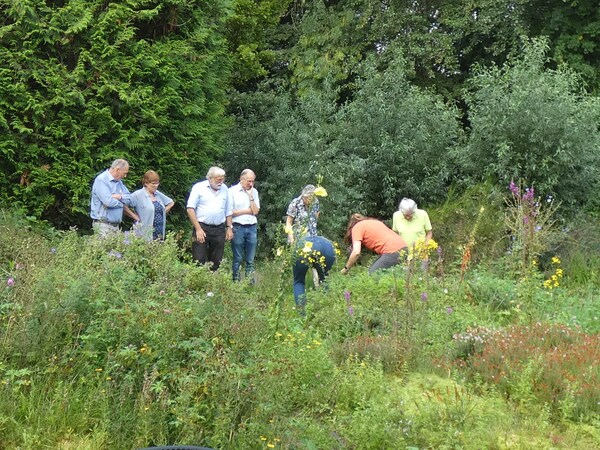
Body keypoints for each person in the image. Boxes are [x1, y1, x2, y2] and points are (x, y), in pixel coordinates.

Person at [186, 166, 233, 271]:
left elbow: (228, 210)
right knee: (199, 260)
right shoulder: (198, 187)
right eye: (218, 179)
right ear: (210, 178)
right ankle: (198, 285)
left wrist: (229, 227)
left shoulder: (225, 189)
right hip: (202, 227)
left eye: (223, 179)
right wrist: (198, 229)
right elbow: (190, 209)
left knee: (217, 261)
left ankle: (213, 285)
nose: (221, 182)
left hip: (219, 229)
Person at [341, 214, 408, 275]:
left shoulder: (357, 227)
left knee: (372, 275)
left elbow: (356, 252)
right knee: (391, 273)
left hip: (392, 251)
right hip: (404, 248)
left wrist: (346, 268)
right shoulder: (375, 222)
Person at [90, 159, 139, 237]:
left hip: (116, 227)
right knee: (105, 249)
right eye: (124, 173)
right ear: (118, 170)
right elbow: (108, 202)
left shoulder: (119, 182)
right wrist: (121, 203)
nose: (125, 176)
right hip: (103, 225)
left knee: (115, 249)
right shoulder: (101, 180)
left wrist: (118, 196)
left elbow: (129, 199)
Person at [228, 169, 260, 281]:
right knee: (238, 257)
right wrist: (247, 211)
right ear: (242, 179)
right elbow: (230, 212)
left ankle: (250, 283)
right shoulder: (231, 191)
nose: (251, 184)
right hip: (238, 227)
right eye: (249, 181)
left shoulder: (254, 192)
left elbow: (255, 211)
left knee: (250, 259)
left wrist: (251, 197)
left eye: (253, 181)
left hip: (252, 227)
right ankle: (236, 282)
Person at [293, 236, 336, 312]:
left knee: (299, 281)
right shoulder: (325, 241)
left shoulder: (300, 241)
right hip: (326, 247)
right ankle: (326, 313)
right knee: (325, 279)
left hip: (302, 247)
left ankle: (302, 315)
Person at [129, 170, 175, 241]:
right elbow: (124, 204)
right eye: (153, 184)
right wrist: (134, 216)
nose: (156, 186)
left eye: (157, 183)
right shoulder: (138, 195)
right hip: (144, 234)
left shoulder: (157, 194)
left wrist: (163, 211)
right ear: (146, 183)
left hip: (159, 233)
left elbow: (171, 202)